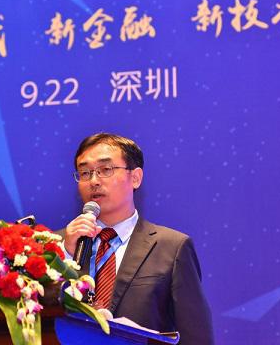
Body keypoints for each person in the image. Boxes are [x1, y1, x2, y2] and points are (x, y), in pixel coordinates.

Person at [60, 133, 214, 344]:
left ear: (135, 177)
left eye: (105, 169)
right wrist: (65, 256)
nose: (93, 181)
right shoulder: (56, 246)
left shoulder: (172, 248)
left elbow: (196, 338)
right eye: (85, 172)